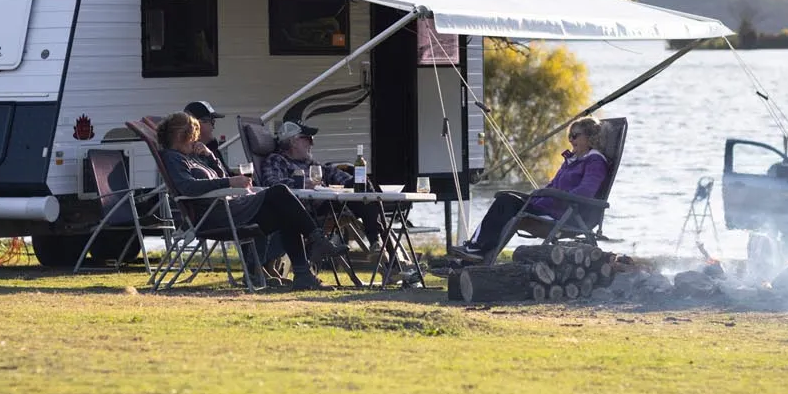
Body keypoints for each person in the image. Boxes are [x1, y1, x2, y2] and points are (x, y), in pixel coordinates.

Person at [156, 112, 345, 290]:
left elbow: (219, 175)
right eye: (193, 136)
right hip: (217, 215)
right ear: (182, 136)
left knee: (287, 212)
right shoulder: (173, 158)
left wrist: (210, 156)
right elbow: (188, 187)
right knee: (280, 192)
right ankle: (318, 241)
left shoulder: (192, 156)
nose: (196, 140)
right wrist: (231, 181)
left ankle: (303, 275)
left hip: (231, 208)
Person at [261, 122, 421, 284]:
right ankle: (388, 260)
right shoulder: (276, 161)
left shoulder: (312, 164)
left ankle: (377, 245)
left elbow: (334, 175)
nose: (312, 143)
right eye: (307, 139)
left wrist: (357, 182)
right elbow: (273, 186)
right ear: (293, 141)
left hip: (325, 207)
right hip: (303, 213)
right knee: (363, 196)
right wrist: (301, 183)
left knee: (362, 187)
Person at [450, 117, 610, 261]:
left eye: (576, 135)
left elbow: (586, 191)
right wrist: (533, 198)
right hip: (548, 208)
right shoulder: (572, 160)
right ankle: (475, 251)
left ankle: (476, 249)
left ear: (590, 138)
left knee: (507, 204)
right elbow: (552, 185)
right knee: (505, 201)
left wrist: (557, 197)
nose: (571, 139)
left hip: (565, 215)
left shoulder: (594, 161)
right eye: (570, 135)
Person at [184, 100, 227, 169]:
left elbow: (228, 175)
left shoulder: (212, 149)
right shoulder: (191, 156)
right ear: (196, 125)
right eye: (212, 122)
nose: (213, 127)